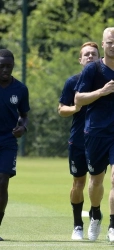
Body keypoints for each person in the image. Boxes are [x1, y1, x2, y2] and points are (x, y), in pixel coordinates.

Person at [74, 27, 114, 244]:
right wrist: (100, 92)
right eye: (109, 42)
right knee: (95, 180)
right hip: (95, 131)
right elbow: (78, 99)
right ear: (103, 45)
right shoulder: (92, 70)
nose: (113, 46)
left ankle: (113, 226)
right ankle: (95, 213)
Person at [58, 42, 100, 240]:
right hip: (78, 140)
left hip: (100, 140)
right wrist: (75, 108)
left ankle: (95, 213)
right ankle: (77, 225)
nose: (90, 57)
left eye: (93, 54)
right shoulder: (72, 82)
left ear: (100, 58)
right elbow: (61, 109)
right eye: (86, 54)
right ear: (80, 60)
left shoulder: (106, 83)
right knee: (78, 182)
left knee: (96, 180)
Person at [0, 49, 30, 241]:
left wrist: (22, 128)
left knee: (2, 182)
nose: (5, 69)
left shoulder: (20, 89)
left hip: (8, 141)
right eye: (1, 66)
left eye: (8, 66)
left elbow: (24, 115)